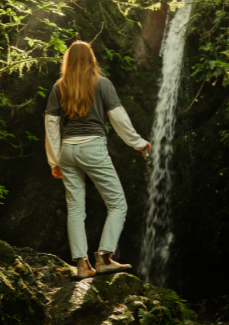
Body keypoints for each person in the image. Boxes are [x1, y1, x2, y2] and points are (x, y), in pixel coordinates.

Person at [44, 41, 151, 279]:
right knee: (117, 204)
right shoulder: (102, 83)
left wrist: (54, 161)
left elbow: (51, 124)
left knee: (75, 209)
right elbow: (118, 118)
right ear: (91, 59)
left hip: (68, 151)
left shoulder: (59, 86)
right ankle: (103, 258)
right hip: (93, 147)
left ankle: (82, 265)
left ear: (68, 61)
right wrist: (139, 143)